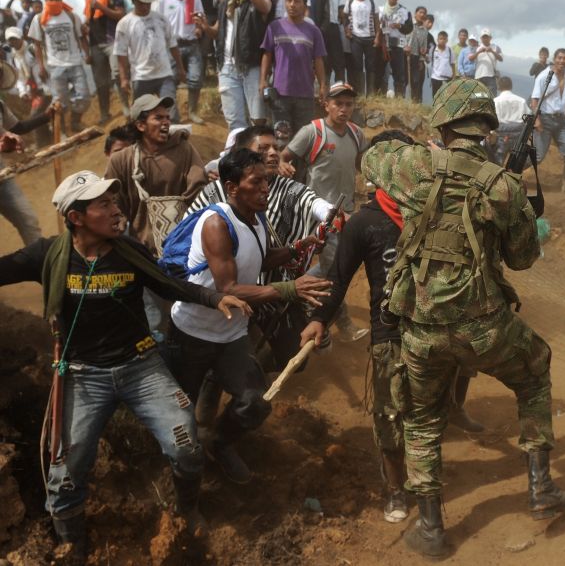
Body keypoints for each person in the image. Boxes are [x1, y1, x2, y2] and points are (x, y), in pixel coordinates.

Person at [362, 78, 565, 558]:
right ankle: (541, 488)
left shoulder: (414, 165)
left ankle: (431, 529)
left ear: (442, 123)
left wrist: (425, 155)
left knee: (422, 419)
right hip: (485, 326)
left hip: (421, 329)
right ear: (487, 128)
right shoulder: (502, 184)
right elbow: (522, 259)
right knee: (534, 372)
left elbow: (372, 158)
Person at [0, 170, 249, 553]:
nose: (117, 210)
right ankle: (71, 545)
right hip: (82, 375)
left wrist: (215, 298)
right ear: (76, 217)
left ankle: (187, 509)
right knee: (64, 474)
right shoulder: (48, 255)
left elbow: (168, 284)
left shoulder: (130, 251)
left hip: (141, 367)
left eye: (114, 201)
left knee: (185, 447)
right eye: (104, 204)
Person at [169, 147, 331, 483]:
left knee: (256, 401)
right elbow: (228, 289)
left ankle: (220, 443)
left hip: (230, 335)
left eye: (266, 182)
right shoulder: (217, 224)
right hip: (192, 333)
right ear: (231, 187)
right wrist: (290, 289)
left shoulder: (254, 218)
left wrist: (296, 248)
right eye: (256, 182)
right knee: (180, 413)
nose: (265, 189)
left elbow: (258, 257)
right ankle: (179, 472)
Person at [299, 130, 413, 524]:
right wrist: (318, 319)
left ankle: (426, 484)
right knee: (390, 416)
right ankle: (395, 489)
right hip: (389, 336)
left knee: (425, 414)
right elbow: (338, 278)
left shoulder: (433, 213)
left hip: (433, 333)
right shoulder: (364, 223)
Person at [280, 81, 369, 341]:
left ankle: (290, 290)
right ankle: (343, 323)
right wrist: (283, 165)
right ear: (326, 104)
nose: (344, 109)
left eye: (349, 104)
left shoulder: (356, 134)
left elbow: (362, 165)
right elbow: (284, 156)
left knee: (335, 266)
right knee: (335, 270)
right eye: (338, 103)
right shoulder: (313, 132)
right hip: (321, 215)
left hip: (348, 212)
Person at [105, 94, 206, 254]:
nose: (166, 122)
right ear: (140, 125)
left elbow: (198, 190)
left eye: (167, 117)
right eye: (158, 118)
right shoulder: (121, 160)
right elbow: (112, 201)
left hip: (183, 247)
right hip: (141, 250)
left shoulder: (184, 150)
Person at [196, 0, 270, 131]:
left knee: (258, 119)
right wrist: (205, 26)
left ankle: (257, 147)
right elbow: (217, 32)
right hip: (227, 68)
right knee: (234, 121)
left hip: (251, 67)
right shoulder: (226, 2)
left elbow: (265, 8)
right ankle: (239, 147)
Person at [259, 0, 327, 135]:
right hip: (280, 94)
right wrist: (263, 80)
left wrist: (322, 86)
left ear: (304, 6)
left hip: (305, 95)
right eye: (289, 1)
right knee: (281, 138)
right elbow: (267, 55)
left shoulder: (314, 31)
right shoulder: (274, 27)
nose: (292, 4)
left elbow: (318, 60)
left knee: (304, 139)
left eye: (297, 1)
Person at [28, 0, 92, 134]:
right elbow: (37, 45)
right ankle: (61, 131)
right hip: (55, 66)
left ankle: (75, 121)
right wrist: (41, 67)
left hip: (75, 63)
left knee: (84, 97)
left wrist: (86, 54)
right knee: (60, 103)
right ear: (46, 1)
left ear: (61, 0)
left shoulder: (71, 16)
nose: (54, 2)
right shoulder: (39, 19)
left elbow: (81, 37)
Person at [114, 0, 184, 116]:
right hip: (141, 77)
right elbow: (121, 54)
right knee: (141, 115)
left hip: (164, 74)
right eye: (141, 3)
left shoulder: (161, 20)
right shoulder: (124, 24)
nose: (145, 6)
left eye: (148, 3)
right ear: (134, 1)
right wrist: (124, 78)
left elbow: (173, 45)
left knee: (171, 112)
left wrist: (180, 68)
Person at [156, 0, 206, 124]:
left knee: (195, 78)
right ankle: (172, 115)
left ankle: (192, 112)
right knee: (170, 80)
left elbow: (201, 19)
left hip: (191, 43)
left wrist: (199, 29)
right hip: (172, 46)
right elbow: (158, 21)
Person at [531, 48, 565, 196]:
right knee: (538, 156)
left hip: (561, 121)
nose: (562, 61)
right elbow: (534, 100)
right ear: (554, 59)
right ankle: (512, 174)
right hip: (545, 119)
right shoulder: (544, 76)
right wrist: (537, 120)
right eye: (559, 58)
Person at [0, 104, 53, 245]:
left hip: (2, 178)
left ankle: (39, 257)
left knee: (28, 221)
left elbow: (17, 128)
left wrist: (46, 116)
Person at [84, 0, 126, 125]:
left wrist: (101, 7)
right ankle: (104, 114)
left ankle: (126, 108)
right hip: (95, 43)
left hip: (112, 40)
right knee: (100, 82)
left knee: (118, 75)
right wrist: (85, 25)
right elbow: (89, 18)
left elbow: (120, 15)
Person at [3, 25, 52, 148]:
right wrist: (23, 92)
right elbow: (20, 78)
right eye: (10, 40)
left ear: (21, 37)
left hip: (46, 87)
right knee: (39, 114)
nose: (13, 42)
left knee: (37, 114)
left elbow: (47, 64)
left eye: (14, 39)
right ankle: (47, 140)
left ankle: (44, 142)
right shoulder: (14, 58)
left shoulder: (32, 49)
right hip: (34, 92)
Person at [343, 0, 381, 97]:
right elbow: (344, 17)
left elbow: (377, 21)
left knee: (371, 66)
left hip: (370, 37)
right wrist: (347, 30)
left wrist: (377, 37)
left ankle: (370, 94)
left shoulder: (372, 3)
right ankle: (359, 93)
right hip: (355, 37)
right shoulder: (350, 2)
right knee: (357, 65)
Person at [377, 0, 411, 97]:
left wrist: (399, 26)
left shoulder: (404, 11)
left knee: (399, 73)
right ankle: (379, 96)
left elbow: (409, 28)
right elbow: (375, 27)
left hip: (398, 45)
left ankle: (399, 98)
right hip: (383, 44)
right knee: (380, 72)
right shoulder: (380, 10)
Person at [492, 75, 530, 165]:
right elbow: (529, 116)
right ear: (511, 86)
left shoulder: (496, 101)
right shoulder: (521, 101)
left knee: (497, 161)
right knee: (516, 161)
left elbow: (493, 119)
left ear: (499, 87)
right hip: (518, 135)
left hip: (501, 135)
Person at [319, 0, 345, 84]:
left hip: (334, 26)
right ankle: (324, 87)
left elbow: (340, 11)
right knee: (323, 57)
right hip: (321, 26)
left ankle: (340, 87)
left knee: (338, 57)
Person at [404, 6, 428, 103]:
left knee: (416, 81)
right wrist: (404, 47)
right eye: (420, 12)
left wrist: (421, 59)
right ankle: (400, 100)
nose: (422, 15)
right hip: (405, 55)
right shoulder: (408, 24)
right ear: (415, 13)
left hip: (416, 57)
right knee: (404, 79)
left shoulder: (425, 30)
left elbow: (424, 46)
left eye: (424, 13)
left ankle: (414, 103)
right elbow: (402, 37)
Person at [471, 28, 502, 96]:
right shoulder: (477, 47)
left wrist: (492, 51)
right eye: (483, 37)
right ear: (481, 38)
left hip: (491, 76)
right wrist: (479, 52)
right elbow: (471, 58)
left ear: (490, 38)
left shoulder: (496, 47)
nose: (485, 39)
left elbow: (501, 59)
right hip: (479, 76)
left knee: (492, 96)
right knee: (478, 97)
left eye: (486, 37)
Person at [428, 31, 454, 98]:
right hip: (435, 77)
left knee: (448, 97)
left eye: (444, 39)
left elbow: (452, 63)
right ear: (437, 40)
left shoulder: (450, 50)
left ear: (447, 40)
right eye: (441, 39)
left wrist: (453, 76)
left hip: (448, 78)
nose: (442, 40)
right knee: (436, 97)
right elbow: (428, 60)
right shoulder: (433, 49)